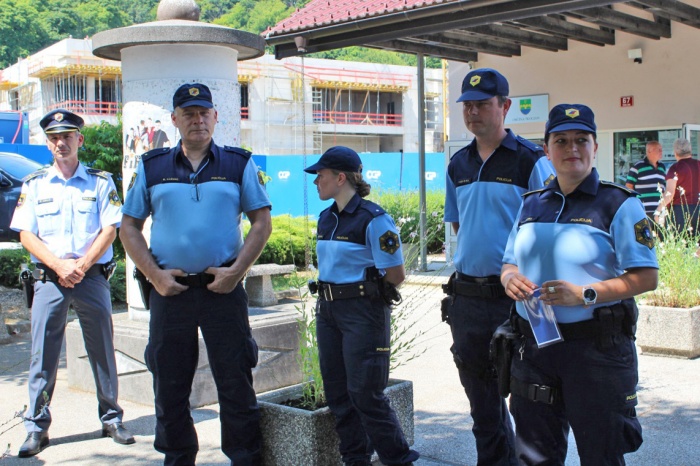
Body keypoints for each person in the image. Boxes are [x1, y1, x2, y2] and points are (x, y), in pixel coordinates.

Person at [119, 83, 271, 466]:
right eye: (188, 113)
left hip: (223, 290)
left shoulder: (238, 164)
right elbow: (128, 229)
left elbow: (261, 222)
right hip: (172, 294)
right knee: (169, 386)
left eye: (204, 112)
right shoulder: (152, 167)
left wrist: (237, 273)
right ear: (175, 120)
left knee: (236, 383)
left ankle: (245, 457)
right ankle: (177, 457)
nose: (197, 120)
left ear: (215, 117)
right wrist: (154, 277)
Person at [501, 103, 658, 465]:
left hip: (596, 352)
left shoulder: (619, 204)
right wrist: (509, 277)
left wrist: (585, 294)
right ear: (547, 149)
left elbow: (646, 276)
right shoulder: (530, 204)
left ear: (595, 147)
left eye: (581, 140)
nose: (572, 148)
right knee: (534, 456)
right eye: (561, 140)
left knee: (601, 454)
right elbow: (509, 259)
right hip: (535, 346)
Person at [442, 68, 555, 466]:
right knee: (482, 406)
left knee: (532, 403)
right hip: (468, 299)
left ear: (504, 106)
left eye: (482, 104)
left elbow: (548, 231)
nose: (472, 112)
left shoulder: (531, 162)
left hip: (520, 300)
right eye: (467, 106)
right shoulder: (458, 164)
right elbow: (459, 224)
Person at [10, 109, 134, 457]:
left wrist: (81, 264)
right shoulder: (35, 184)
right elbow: (26, 233)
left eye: (67, 136)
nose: (60, 143)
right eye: (53, 138)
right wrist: (58, 265)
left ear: (80, 140)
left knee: (103, 351)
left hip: (90, 277)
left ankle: (111, 418)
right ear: (48, 143)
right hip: (49, 279)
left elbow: (111, 228)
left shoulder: (99, 182)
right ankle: (37, 427)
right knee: (42, 356)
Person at [304, 146, 419, 466]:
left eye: (321, 176)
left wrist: (364, 297)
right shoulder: (326, 219)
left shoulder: (375, 220)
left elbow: (396, 274)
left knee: (365, 395)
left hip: (362, 314)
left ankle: (399, 458)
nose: (316, 182)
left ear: (341, 178)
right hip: (328, 313)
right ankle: (354, 459)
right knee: (339, 395)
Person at [654, 138, 700, 234]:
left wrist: (658, 210)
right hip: (698, 208)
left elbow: (669, 194)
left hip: (681, 211)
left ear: (675, 152)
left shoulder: (675, 168)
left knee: (682, 244)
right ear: (690, 150)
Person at [625, 140, 666, 219]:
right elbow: (628, 187)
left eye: (661, 149)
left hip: (659, 211)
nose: (661, 152)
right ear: (649, 151)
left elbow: (664, 187)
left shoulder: (662, 167)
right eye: (658, 149)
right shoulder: (637, 167)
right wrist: (634, 205)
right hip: (643, 211)